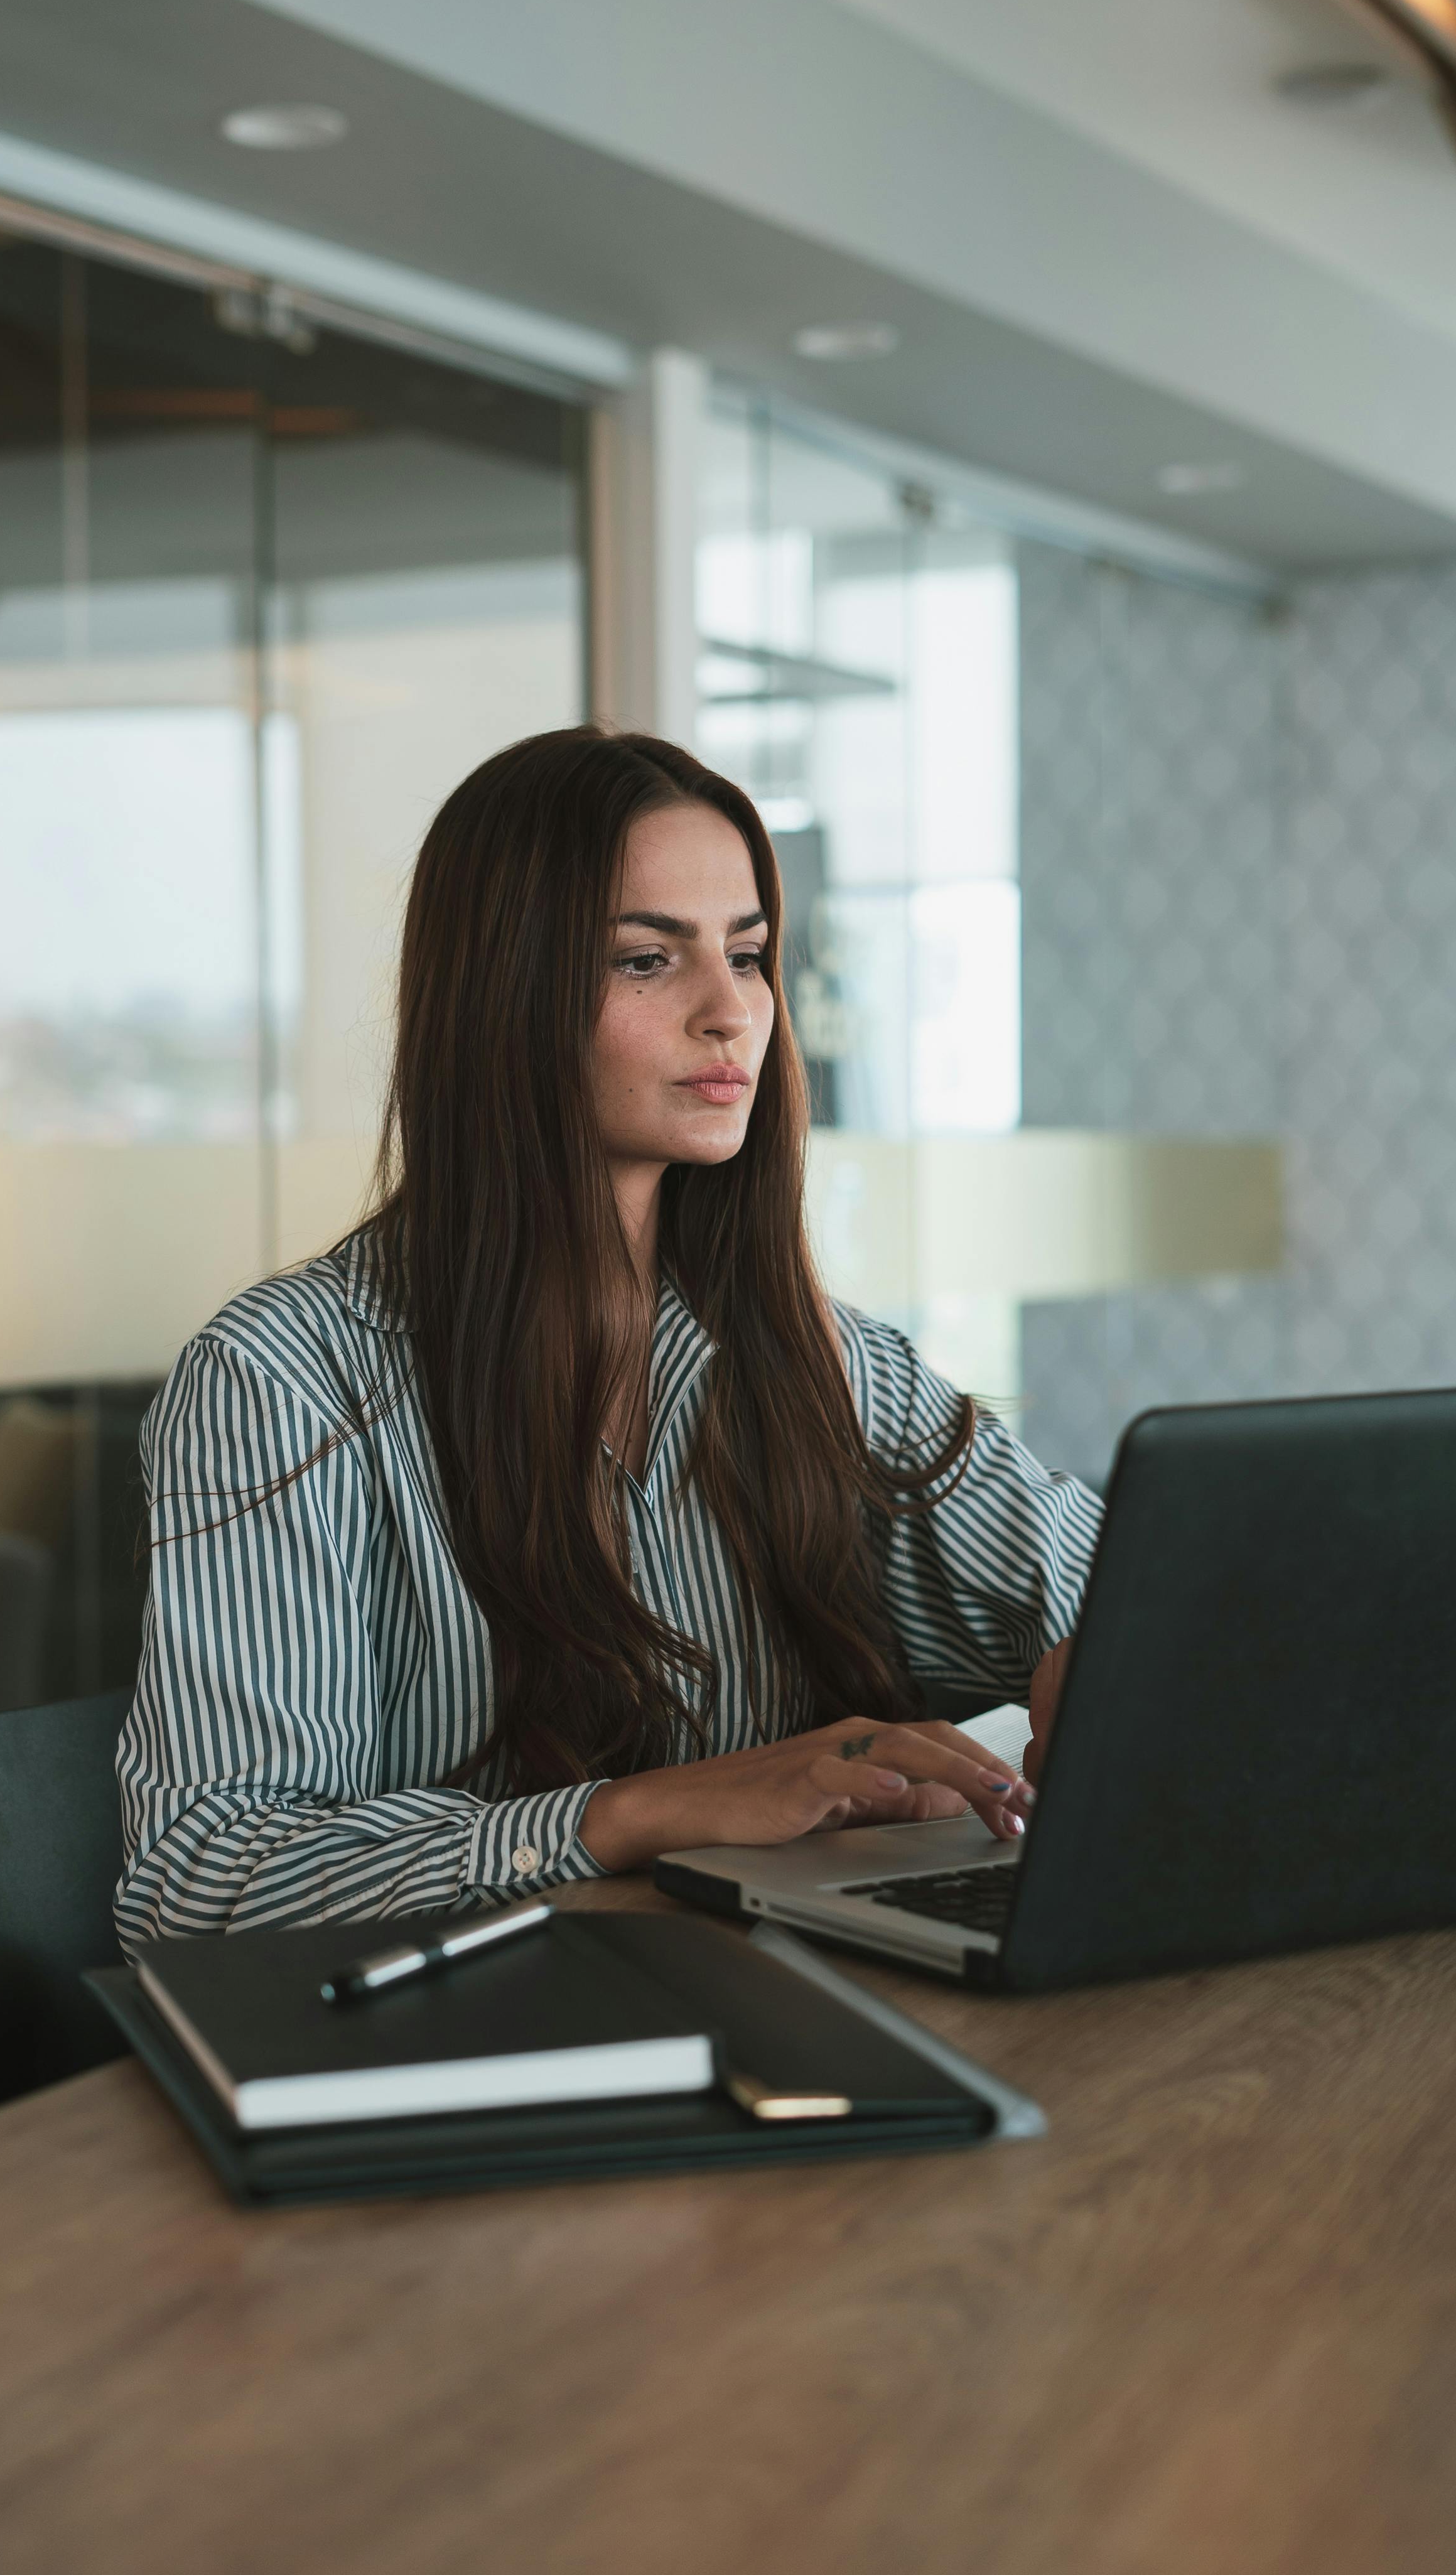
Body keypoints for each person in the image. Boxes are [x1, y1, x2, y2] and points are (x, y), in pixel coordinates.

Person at [116, 728, 1101, 1950]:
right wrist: (631, 1814)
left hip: (762, 1998)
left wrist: (1098, 1641)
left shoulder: (823, 1360)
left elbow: (1100, 1571)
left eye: (748, 954)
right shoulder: (286, 1377)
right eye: (647, 959)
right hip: (466, 2052)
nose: (730, 1010)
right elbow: (204, 1884)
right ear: (505, 996)